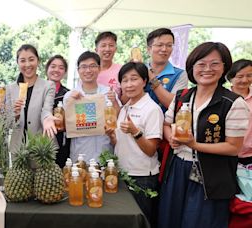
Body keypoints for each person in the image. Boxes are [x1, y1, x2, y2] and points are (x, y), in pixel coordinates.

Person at [158, 42, 250, 228]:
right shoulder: (182, 96)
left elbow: (234, 147)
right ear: (192, 68)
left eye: (215, 63)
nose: (207, 69)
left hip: (211, 176)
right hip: (177, 169)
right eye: (201, 64)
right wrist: (171, 138)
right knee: (170, 220)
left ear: (225, 67)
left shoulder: (233, 102)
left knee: (200, 222)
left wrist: (194, 145)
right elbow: (167, 124)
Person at [106, 62, 163, 227]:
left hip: (141, 177)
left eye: (134, 79)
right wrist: (111, 135)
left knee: (140, 222)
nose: (129, 84)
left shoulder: (152, 109)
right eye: (124, 80)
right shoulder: (125, 107)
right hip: (122, 173)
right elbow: (119, 142)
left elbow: (151, 150)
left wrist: (135, 132)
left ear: (144, 81)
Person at [63, 51, 114, 162]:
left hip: (104, 152)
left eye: (92, 66)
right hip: (80, 154)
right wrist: (70, 102)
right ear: (78, 70)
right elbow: (64, 125)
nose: (88, 70)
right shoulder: (69, 96)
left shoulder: (108, 93)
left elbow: (117, 118)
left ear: (99, 68)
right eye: (84, 67)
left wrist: (114, 102)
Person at [6, 44, 57, 154]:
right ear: (18, 63)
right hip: (18, 149)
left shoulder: (48, 86)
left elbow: (46, 109)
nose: (27, 64)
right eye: (23, 60)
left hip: (42, 147)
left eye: (31, 59)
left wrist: (47, 119)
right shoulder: (10, 89)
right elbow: (8, 123)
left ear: (38, 61)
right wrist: (15, 114)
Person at [145, 28, 188, 111]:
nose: (164, 49)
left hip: (165, 123)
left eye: (169, 45)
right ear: (149, 49)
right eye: (160, 45)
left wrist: (152, 78)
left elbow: (173, 104)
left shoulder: (180, 75)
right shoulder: (138, 70)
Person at [46, 55, 70, 168]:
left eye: (61, 68)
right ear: (47, 70)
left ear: (65, 72)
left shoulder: (68, 94)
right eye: (53, 66)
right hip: (40, 140)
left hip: (61, 141)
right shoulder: (36, 91)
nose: (56, 70)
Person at [227, 59, 252, 165]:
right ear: (230, 78)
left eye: (249, 75)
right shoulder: (223, 98)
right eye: (240, 76)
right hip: (226, 154)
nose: (245, 80)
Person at [95, 31, 125, 102]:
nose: (107, 49)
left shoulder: (122, 70)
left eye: (111, 45)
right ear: (96, 50)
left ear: (115, 49)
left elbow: (126, 99)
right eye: (103, 45)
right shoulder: (89, 71)